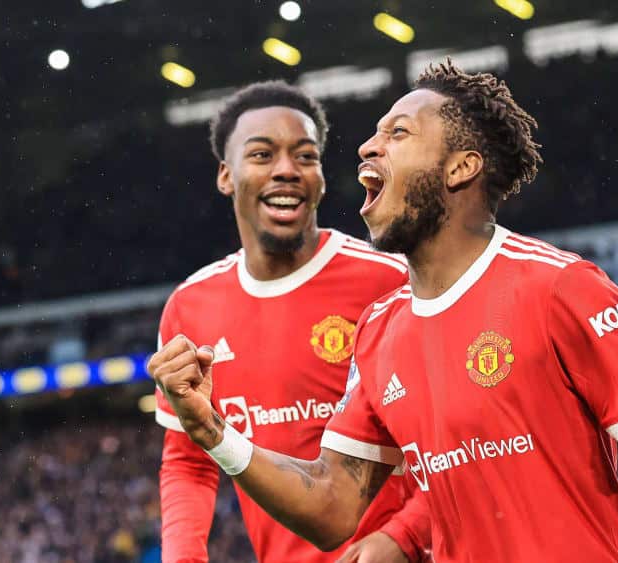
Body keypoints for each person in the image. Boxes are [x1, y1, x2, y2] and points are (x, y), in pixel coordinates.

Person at [150, 61, 618, 562]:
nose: (367, 148)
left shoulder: (558, 288)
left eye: (397, 133)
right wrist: (214, 432)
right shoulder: (380, 330)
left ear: (460, 167)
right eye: (374, 135)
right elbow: (331, 507)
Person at [153, 81, 429, 563]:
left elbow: (460, 434)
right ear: (226, 175)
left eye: (305, 156)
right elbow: (189, 462)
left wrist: (404, 534)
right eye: (262, 155)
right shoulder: (190, 307)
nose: (286, 170)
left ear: (321, 177)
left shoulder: (389, 280)